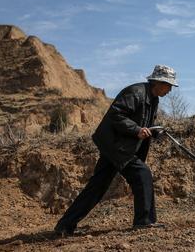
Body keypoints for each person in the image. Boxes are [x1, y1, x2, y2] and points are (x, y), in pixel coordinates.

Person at [54, 64, 178, 236]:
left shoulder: (153, 98)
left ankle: (65, 225)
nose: (170, 90)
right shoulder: (136, 92)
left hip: (117, 146)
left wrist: (155, 131)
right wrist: (136, 130)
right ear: (158, 81)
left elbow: (144, 124)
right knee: (142, 174)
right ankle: (144, 221)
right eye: (168, 85)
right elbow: (116, 115)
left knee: (97, 186)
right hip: (116, 145)